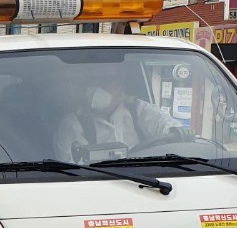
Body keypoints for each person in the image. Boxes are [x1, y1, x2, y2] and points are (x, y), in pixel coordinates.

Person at [53, 68, 184, 163]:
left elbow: (165, 124)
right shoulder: (73, 123)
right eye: (95, 81)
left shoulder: (137, 109)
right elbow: (74, 166)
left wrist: (177, 131)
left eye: (107, 80)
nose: (99, 87)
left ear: (121, 86)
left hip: (143, 179)